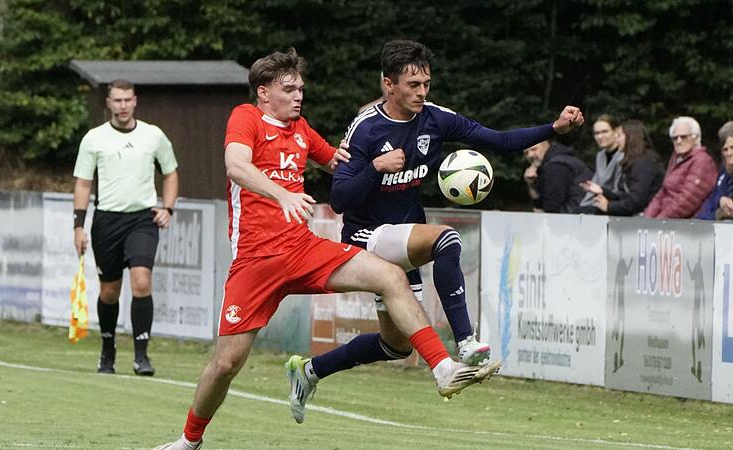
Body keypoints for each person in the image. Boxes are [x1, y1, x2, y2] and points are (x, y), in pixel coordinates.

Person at [154, 49, 497, 450]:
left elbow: (343, 163)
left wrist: (381, 137)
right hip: (256, 262)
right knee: (226, 363)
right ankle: (189, 441)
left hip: (304, 250)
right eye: (289, 89)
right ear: (263, 93)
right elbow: (236, 167)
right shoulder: (246, 118)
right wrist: (282, 193)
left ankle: (442, 368)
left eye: (301, 88)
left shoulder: (301, 129)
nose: (298, 96)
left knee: (389, 275)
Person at [283, 39, 584, 424]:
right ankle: (467, 343)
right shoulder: (366, 129)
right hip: (366, 237)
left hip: (402, 236)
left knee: (396, 346)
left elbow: (499, 140)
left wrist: (552, 128)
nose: (422, 92)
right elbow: (339, 198)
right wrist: (376, 166)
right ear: (388, 84)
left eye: (426, 83)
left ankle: (310, 371)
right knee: (446, 239)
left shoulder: (435, 119)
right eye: (413, 85)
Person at [73, 79, 179, 376]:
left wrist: (168, 208)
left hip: (142, 219)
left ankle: (141, 356)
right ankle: (107, 351)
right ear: (108, 102)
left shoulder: (153, 135)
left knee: (141, 281)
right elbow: (83, 183)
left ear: (135, 101)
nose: (122, 106)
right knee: (110, 291)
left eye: (127, 100)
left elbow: (170, 172)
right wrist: (78, 226)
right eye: (117, 101)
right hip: (106, 220)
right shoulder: (94, 139)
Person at [580, 120, 664, 216]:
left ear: (630, 138)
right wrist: (603, 191)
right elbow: (628, 195)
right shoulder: (636, 161)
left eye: (619, 135)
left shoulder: (644, 163)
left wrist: (609, 206)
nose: (616, 139)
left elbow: (636, 202)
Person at [643, 116, 717, 218]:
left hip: (687, 226)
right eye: (675, 138)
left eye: (683, 137)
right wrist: (647, 218)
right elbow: (662, 193)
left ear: (696, 138)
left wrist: (659, 221)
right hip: (666, 222)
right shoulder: (677, 159)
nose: (678, 141)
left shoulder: (702, 161)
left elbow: (688, 200)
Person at [524, 139, 592, 213]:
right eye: (526, 152)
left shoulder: (556, 166)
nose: (530, 155)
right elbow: (540, 204)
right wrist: (531, 185)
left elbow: (551, 208)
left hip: (578, 218)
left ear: (546, 145)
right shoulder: (552, 163)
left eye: (534, 149)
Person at [578, 114, 623, 212]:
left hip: (614, 204)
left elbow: (619, 189)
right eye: (596, 133)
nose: (600, 136)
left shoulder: (622, 156)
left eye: (604, 131)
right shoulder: (600, 156)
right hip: (598, 202)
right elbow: (596, 183)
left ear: (616, 131)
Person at [696, 121, 733, 220]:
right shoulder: (723, 174)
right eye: (725, 149)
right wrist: (719, 212)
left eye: (732, 148)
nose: (729, 153)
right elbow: (704, 214)